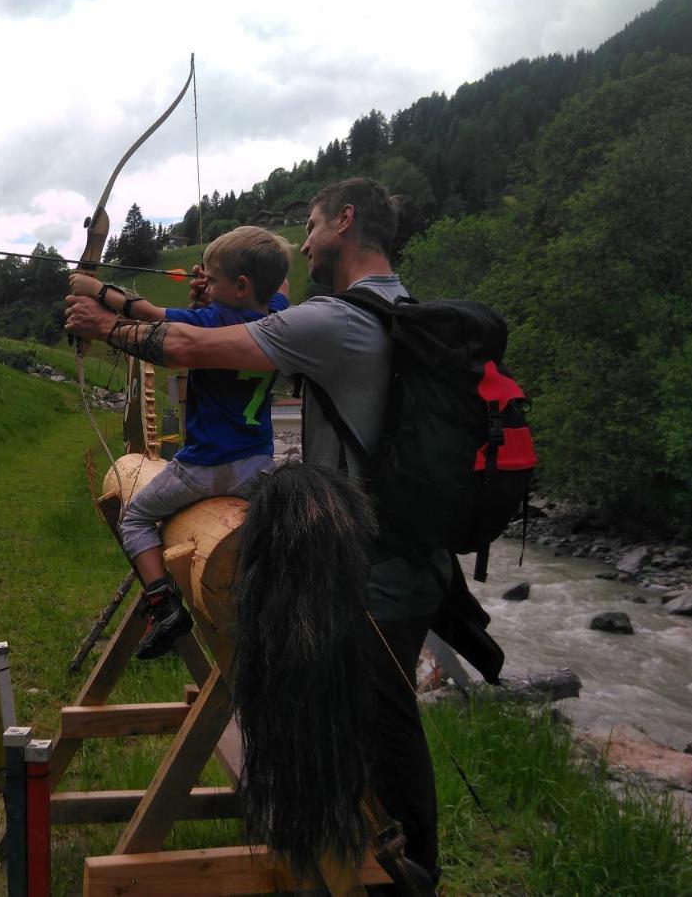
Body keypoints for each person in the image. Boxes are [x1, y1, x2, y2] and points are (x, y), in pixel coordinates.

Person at [65, 178, 446, 882]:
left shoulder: (333, 320)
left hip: (373, 557)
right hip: (408, 548)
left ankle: (403, 869)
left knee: (382, 723)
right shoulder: (391, 309)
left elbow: (184, 342)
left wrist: (100, 322)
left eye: (311, 224)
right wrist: (121, 297)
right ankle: (368, 852)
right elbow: (202, 320)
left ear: (346, 221)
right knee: (373, 715)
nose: (305, 241)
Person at [72, 225, 290, 660]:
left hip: (206, 466)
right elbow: (278, 279)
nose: (204, 285)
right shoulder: (278, 314)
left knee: (134, 519)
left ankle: (163, 604)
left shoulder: (210, 321)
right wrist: (220, 277)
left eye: (212, 279)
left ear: (241, 285)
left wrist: (95, 288)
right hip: (257, 461)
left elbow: (151, 314)